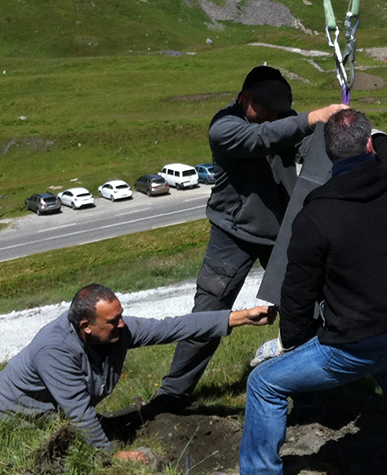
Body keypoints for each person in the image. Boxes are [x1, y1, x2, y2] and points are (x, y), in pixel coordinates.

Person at [240, 110, 387, 474]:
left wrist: (290, 341)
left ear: (328, 154)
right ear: (369, 144)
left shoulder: (317, 215)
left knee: (263, 384)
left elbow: (298, 294)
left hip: (353, 346)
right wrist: (377, 134)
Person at [146, 66, 349, 415]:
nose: (273, 117)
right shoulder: (224, 127)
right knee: (208, 313)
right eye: (267, 111)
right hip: (231, 234)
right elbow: (262, 138)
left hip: (282, 233)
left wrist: (338, 128)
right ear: (245, 99)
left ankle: (311, 388)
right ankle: (172, 394)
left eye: (278, 112)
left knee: (301, 310)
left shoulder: (280, 120)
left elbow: (303, 143)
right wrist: (311, 118)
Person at [0, 284, 271, 459]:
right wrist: (112, 456)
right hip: (18, 418)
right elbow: (79, 412)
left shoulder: (114, 330)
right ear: (86, 326)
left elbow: (173, 327)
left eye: (120, 315)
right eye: (113, 320)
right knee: (59, 457)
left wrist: (240, 317)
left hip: (54, 408)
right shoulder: (55, 350)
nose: (122, 324)